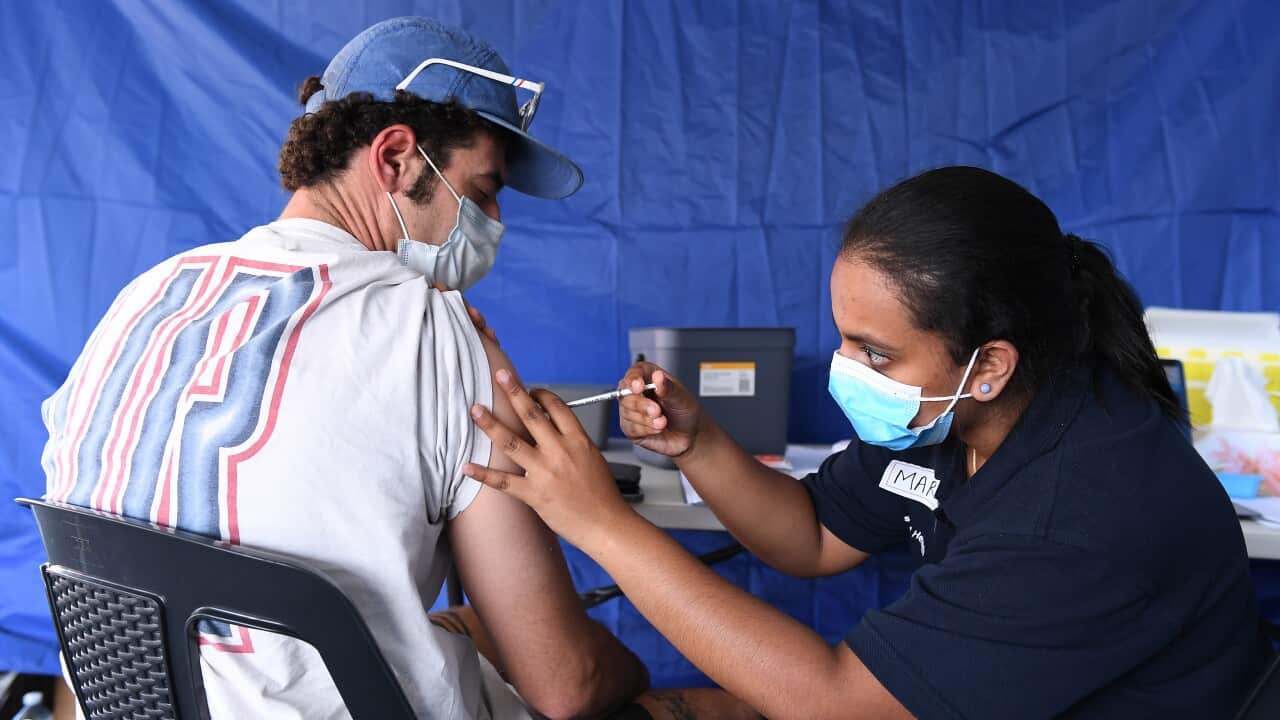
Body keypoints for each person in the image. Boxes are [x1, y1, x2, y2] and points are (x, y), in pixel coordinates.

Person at [462, 166, 1274, 718]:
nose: (849, 371)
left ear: (989, 363)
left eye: (875, 352)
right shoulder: (946, 415)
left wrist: (601, 523)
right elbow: (813, 535)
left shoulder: (1079, 509)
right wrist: (698, 442)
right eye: (846, 340)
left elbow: (835, 704)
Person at [40, 17, 654, 719]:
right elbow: (563, 681)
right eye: (481, 191)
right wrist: (635, 674)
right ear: (395, 158)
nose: (493, 222)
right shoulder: (429, 327)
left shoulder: (150, 294)